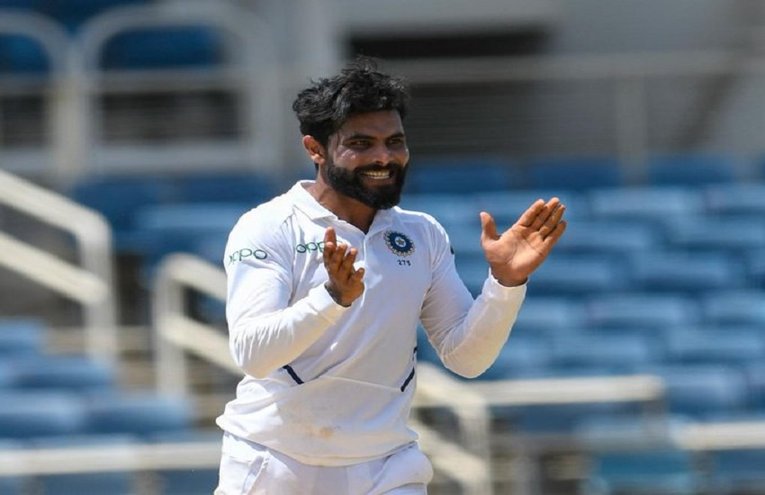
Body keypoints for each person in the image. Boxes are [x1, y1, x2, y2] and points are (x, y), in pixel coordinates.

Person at [214, 57, 567, 495]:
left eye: (394, 142)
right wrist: (331, 298)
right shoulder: (268, 227)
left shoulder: (421, 234)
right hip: (276, 462)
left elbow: (466, 359)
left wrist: (505, 284)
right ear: (315, 149)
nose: (383, 157)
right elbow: (253, 354)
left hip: (386, 466)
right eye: (361, 143)